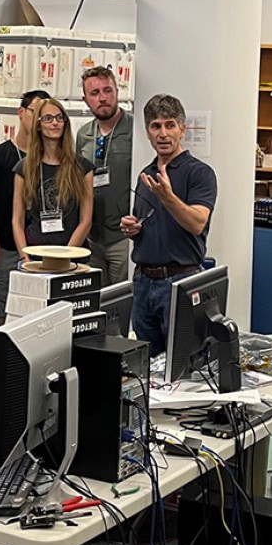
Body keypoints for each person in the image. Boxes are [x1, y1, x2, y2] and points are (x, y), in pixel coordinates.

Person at [120, 94, 217, 356]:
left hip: (180, 280)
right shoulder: (146, 175)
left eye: (170, 125)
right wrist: (132, 228)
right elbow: (147, 223)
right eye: (156, 126)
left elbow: (197, 223)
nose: (163, 133)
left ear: (182, 129)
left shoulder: (200, 173)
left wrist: (168, 197)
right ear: (148, 132)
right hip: (143, 282)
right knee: (147, 365)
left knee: (184, 363)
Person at [0, 90, 50, 319]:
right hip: (9, 250)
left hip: (43, 250)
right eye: (35, 112)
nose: (40, 120)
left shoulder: (51, 157)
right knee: (7, 316)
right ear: (21, 113)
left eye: (45, 115)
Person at [12, 98, 94, 260]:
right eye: (48, 118)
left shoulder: (82, 167)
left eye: (59, 117)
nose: (55, 123)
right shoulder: (24, 168)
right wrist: (24, 257)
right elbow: (17, 219)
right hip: (35, 253)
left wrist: (65, 257)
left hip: (73, 256)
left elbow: (86, 220)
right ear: (38, 125)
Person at [76, 66, 133, 285]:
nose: (103, 98)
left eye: (107, 90)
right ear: (85, 99)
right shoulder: (84, 135)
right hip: (92, 236)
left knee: (123, 299)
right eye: (95, 93)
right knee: (97, 301)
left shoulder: (134, 130)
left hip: (123, 236)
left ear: (117, 92)